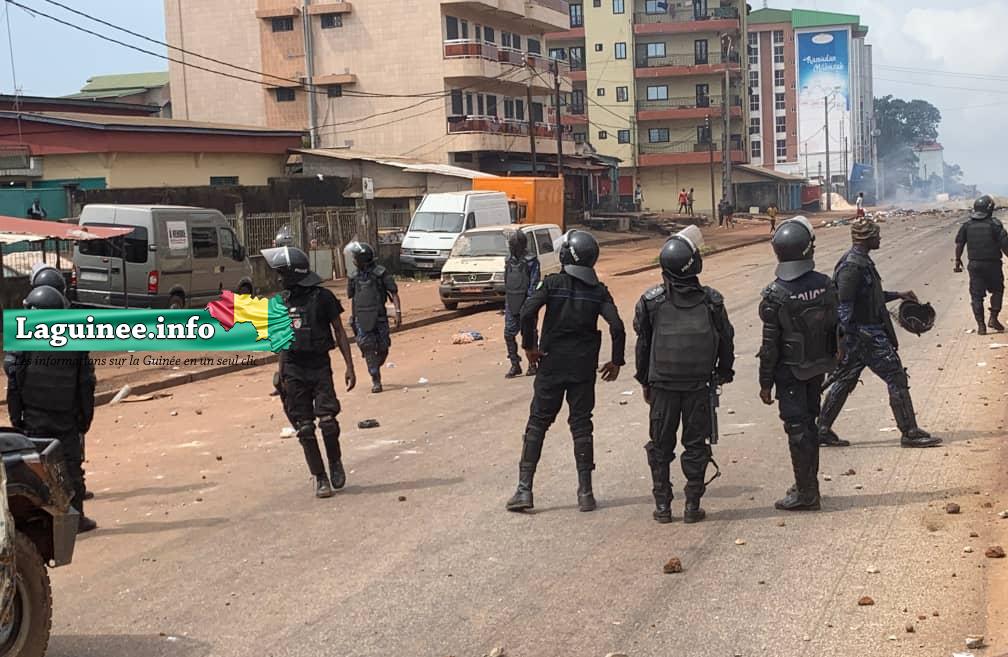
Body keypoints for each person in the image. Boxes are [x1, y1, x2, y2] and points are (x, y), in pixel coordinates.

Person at [505, 230, 625, 513]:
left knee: (538, 423)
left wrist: (529, 347)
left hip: (552, 365)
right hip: (583, 368)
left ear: (565, 256)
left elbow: (527, 312)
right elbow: (617, 326)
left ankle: (524, 490)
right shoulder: (598, 291)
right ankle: (586, 493)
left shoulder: (552, 283)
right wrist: (616, 361)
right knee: (582, 425)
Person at [633, 226, 734, 524]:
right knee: (696, 445)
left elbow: (643, 345)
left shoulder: (650, 301)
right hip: (699, 385)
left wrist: (644, 381)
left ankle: (663, 507)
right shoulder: (712, 300)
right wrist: (724, 372)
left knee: (660, 446)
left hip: (662, 386)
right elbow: (726, 340)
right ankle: (692, 505)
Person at [817, 218, 941, 448]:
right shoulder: (852, 267)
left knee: (844, 380)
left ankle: (822, 429)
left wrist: (898, 295)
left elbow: (870, 298)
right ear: (866, 238)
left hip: (860, 335)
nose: (880, 238)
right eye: (877, 235)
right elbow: (843, 307)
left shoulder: (861, 262)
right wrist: (844, 342)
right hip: (865, 336)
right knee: (896, 377)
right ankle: (909, 431)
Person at [262, 245, 357, 498]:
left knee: (328, 422)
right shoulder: (279, 303)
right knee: (304, 427)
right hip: (293, 369)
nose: (279, 279)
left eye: (282, 274)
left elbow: (339, 331)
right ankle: (320, 477)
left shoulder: (323, 298)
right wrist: (281, 377)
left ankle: (335, 462)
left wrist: (349, 366)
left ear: (293, 274)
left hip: (319, 365)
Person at [757, 217, 837, 511]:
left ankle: (806, 493)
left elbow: (769, 347)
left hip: (789, 372)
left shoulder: (775, 294)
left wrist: (765, 383)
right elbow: (835, 326)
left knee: (797, 429)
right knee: (809, 425)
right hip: (817, 366)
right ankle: (808, 485)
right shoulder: (825, 285)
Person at [6, 285, 97, 532]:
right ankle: (76, 520)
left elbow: (14, 386)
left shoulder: (21, 343)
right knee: (71, 469)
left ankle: (42, 523)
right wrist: (84, 420)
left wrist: (17, 419)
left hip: (33, 422)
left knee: (37, 472)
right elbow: (85, 386)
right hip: (66, 421)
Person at [346, 242, 401, 393]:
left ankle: (374, 366)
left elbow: (394, 293)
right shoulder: (353, 277)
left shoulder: (381, 273)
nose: (353, 261)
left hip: (380, 317)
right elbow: (353, 298)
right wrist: (353, 319)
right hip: (361, 318)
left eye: (355, 258)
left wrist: (397, 312)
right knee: (368, 347)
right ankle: (375, 379)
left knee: (384, 348)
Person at [954, 194, 1008, 335]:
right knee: (998, 290)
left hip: (975, 265)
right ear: (990, 209)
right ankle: (993, 318)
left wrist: (957, 261)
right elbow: (1005, 244)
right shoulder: (995, 225)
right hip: (993, 265)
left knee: (976, 296)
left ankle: (981, 326)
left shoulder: (967, 225)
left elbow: (959, 244)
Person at [503, 230, 541, 378]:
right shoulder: (509, 260)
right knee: (508, 334)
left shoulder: (531, 260)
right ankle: (515, 364)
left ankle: (532, 364)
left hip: (527, 302)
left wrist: (530, 302)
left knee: (529, 334)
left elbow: (534, 282)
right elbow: (507, 281)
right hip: (512, 301)